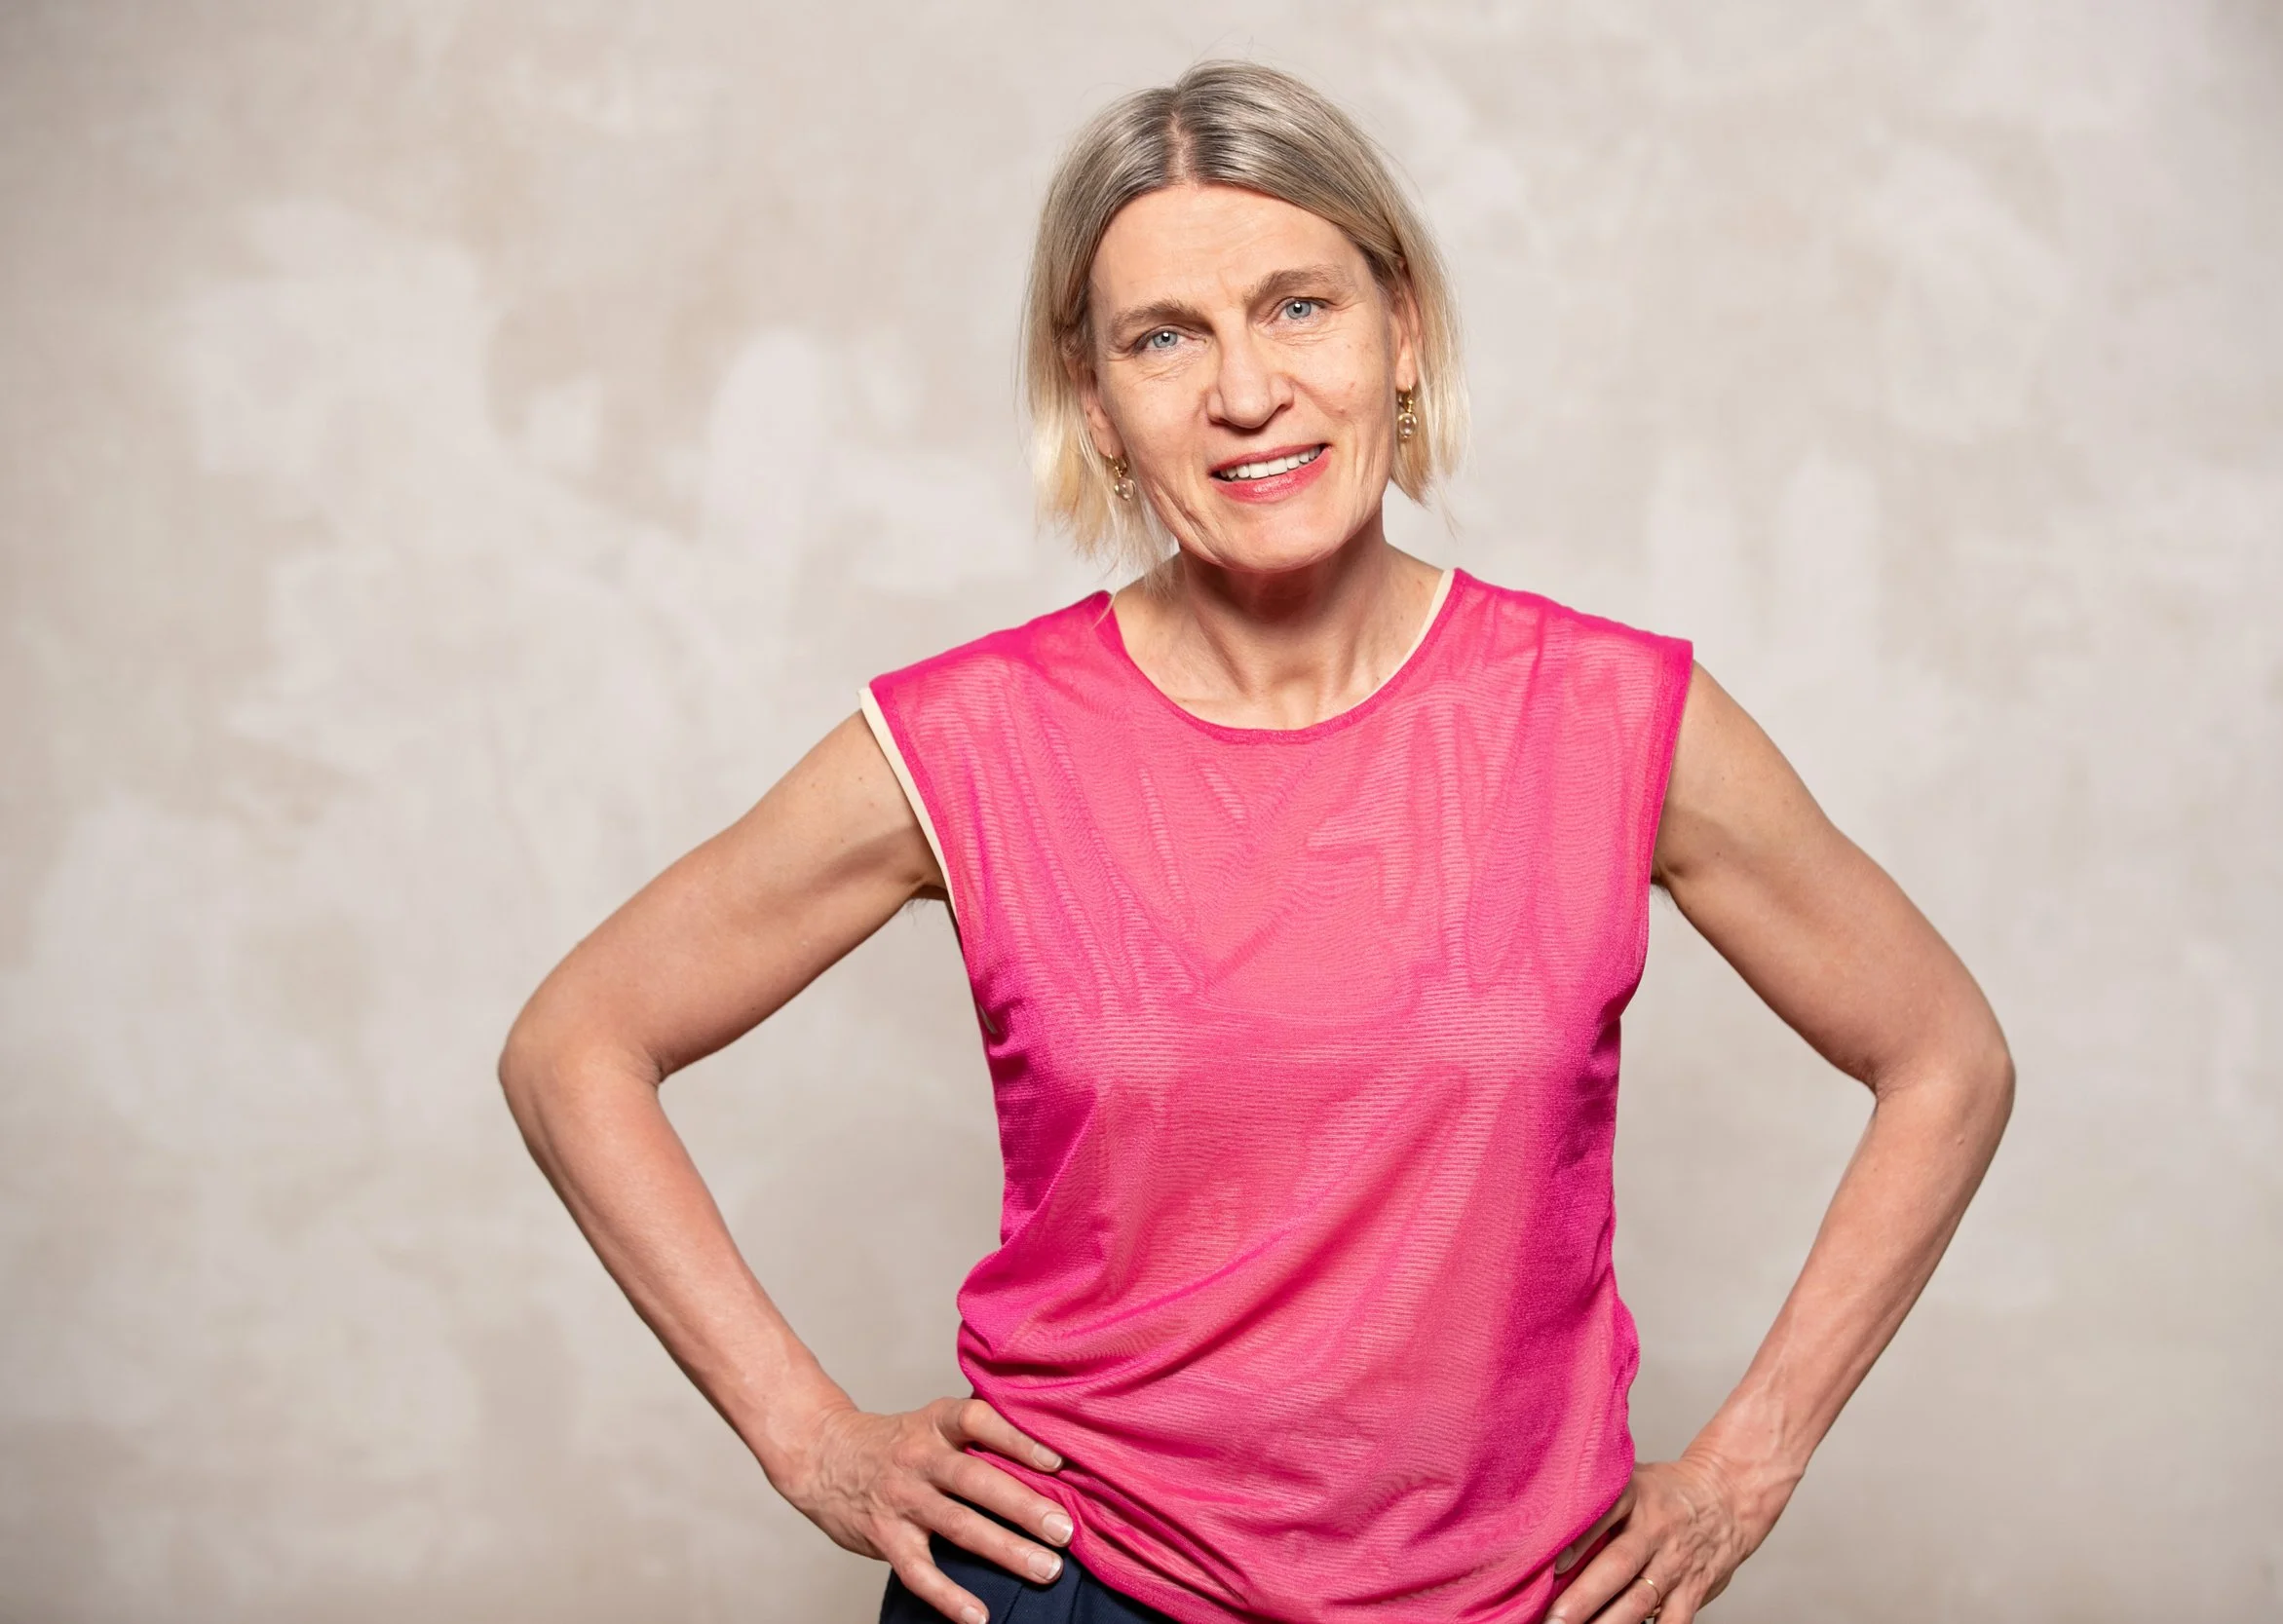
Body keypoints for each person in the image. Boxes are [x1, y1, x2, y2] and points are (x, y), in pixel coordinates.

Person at [497, 59, 2014, 1624]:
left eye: (1299, 307)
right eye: (1165, 337)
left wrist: (1745, 1467)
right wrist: (811, 1438)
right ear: (1095, 401)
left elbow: (1946, 1060)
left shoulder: (1613, 715)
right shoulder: (973, 739)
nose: (1245, 390)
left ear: (1400, 330)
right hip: (1079, 1588)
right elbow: (574, 1044)